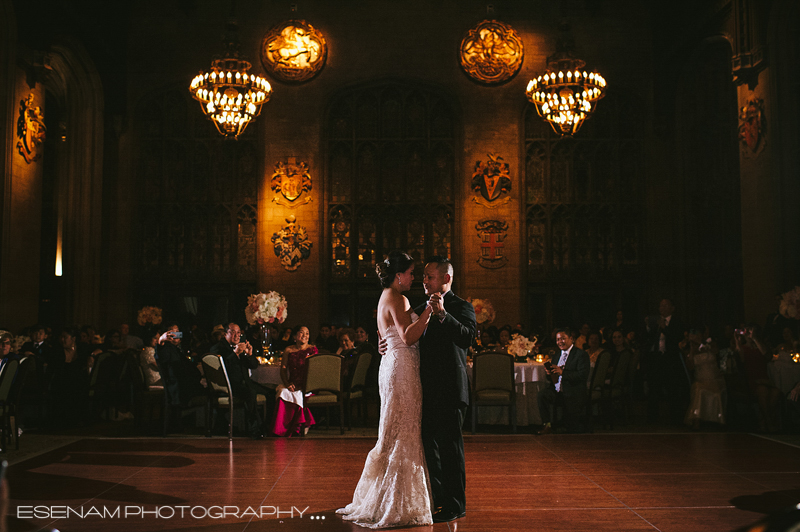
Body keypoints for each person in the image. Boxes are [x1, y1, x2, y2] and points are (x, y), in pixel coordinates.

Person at [338, 251, 435, 528]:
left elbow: (388, 336)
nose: (414, 278)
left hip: (391, 365)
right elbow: (407, 336)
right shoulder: (398, 297)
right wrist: (428, 311)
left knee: (394, 430)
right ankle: (395, 502)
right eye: (411, 273)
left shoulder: (384, 297)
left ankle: (386, 496)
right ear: (398, 275)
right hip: (402, 368)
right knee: (403, 430)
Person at [417, 256, 476, 523]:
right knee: (431, 447)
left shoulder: (461, 306)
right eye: (424, 276)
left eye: (430, 276)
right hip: (425, 389)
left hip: (451, 389)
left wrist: (442, 315)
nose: (425, 281)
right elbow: (399, 328)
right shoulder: (419, 307)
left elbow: (466, 337)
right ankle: (438, 499)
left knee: (451, 448)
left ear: (446, 279)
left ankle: (456, 504)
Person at [210, 323, 275, 439]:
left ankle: (267, 427)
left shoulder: (241, 346)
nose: (237, 335)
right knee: (250, 393)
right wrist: (235, 353)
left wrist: (249, 354)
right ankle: (254, 429)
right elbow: (222, 367)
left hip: (245, 382)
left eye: (239, 332)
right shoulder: (218, 348)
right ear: (225, 334)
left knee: (271, 393)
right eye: (233, 332)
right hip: (229, 384)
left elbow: (254, 365)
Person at [537, 328, 591, 434]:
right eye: (558, 339)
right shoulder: (557, 355)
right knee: (542, 395)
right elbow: (553, 378)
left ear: (571, 339)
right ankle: (547, 424)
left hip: (573, 390)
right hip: (557, 389)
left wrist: (563, 372)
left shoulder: (580, 355)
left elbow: (582, 375)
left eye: (563, 339)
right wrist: (550, 373)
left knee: (571, 429)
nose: (560, 342)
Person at [643, 298, 689, 423]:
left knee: (672, 388)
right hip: (656, 358)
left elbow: (676, 338)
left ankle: (675, 418)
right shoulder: (656, 322)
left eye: (665, 305)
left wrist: (664, 328)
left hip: (670, 359)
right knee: (654, 388)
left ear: (672, 308)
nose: (662, 308)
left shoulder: (677, 322)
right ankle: (652, 418)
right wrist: (648, 326)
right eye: (660, 306)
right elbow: (648, 338)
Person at [272, 326, 316, 437]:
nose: (305, 336)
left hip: (308, 385)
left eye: (307, 333)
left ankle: (299, 426)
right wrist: (287, 383)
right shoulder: (288, 350)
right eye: (301, 333)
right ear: (295, 336)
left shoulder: (312, 350)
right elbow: (283, 369)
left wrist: (304, 385)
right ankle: (281, 429)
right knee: (283, 392)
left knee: (297, 394)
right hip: (292, 383)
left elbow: (316, 371)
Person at [684, 329, 726, 428]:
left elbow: (716, 352)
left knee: (716, 390)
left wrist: (702, 344)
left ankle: (717, 420)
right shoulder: (691, 348)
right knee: (700, 390)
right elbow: (690, 366)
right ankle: (696, 420)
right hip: (701, 379)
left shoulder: (711, 344)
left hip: (714, 378)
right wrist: (692, 350)